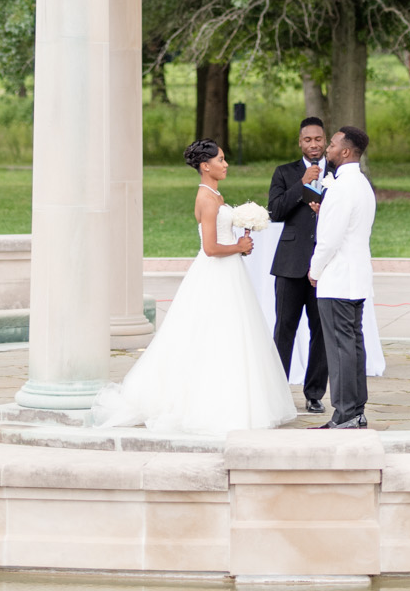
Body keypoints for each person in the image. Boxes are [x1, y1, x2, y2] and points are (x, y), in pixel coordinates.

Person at [90, 139, 296, 436]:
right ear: (205, 165)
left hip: (229, 271)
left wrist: (240, 245)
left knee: (232, 334)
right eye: (221, 160)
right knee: (213, 334)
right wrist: (237, 245)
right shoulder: (207, 199)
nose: (225, 164)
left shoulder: (215, 194)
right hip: (216, 272)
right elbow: (210, 247)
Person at [309, 124, 376, 429]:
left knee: (340, 348)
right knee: (353, 346)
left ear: (346, 151)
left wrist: (314, 270)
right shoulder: (361, 184)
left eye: (333, 144)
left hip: (337, 278)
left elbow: (329, 239)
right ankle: (356, 410)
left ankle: (345, 413)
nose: (328, 148)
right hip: (357, 276)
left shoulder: (339, 188)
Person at [266, 117, 330, 414]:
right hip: (290, 264)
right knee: (284, 328)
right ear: (300, 142)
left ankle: (314, 393)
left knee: (321, 331)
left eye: (318, 139)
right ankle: (276, 392)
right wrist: (301, 184)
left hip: (326, 265)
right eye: (308, 140)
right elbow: (275, 211)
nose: (314, 145)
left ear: (325, 140)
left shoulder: (341, 174)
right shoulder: (284, 172)